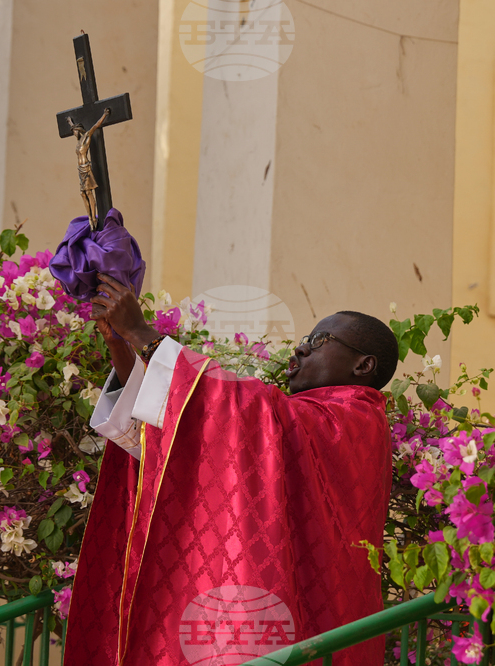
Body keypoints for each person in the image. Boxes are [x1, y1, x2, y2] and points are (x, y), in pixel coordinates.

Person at [62, 274, 398, 666]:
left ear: (363, 365)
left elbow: (244, 407)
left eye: (319, 341)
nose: (300, 350)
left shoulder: (356, 419)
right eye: (304, 339)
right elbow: (169, 432)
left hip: (316, 621)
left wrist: (140, 331)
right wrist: (121, 344)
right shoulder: (305, 419)